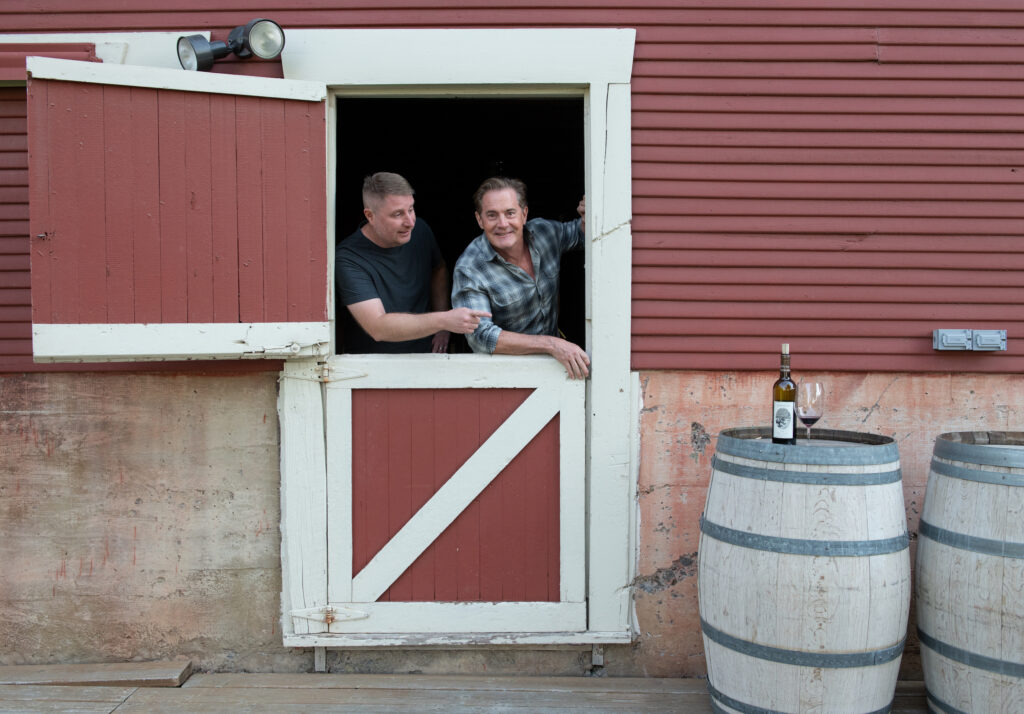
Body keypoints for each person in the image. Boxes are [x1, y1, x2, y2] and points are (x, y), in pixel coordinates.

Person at [451, 177, 590, 379]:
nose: (503, 224)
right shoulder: (470, 268)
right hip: (506, 374)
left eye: (510, 213)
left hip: (557, 364)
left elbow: (581, 234)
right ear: (479, 220)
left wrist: (591, 211)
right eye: (492, 215)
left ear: (524, 214)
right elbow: (481, 337)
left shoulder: (544, 233)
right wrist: (551, 344)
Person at [336, 172, 490, 353]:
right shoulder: (349, 258)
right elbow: (378, 326)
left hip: (426, 355)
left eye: (411, 209)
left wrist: (442, 328)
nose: (410, 221)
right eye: (397, 214)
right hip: (373, 365)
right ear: (370, 216)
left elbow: (438, 268)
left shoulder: (421, 231)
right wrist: (444, 320)